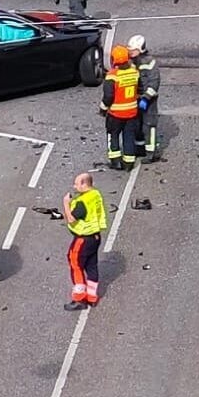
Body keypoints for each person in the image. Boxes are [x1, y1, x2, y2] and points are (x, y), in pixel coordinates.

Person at [63, 173, 107, 310]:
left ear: (84, 184)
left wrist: (66, 204)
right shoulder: (95, 195)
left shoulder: (82, 202)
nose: (74, 186)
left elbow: (71, 219)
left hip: (83, 239)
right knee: (91, 266)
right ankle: (92, 297)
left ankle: (79, 298)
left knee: (75, 264)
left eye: (76, 184)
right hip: (95, 236)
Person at [101, 46, 141, 171]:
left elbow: (108, 96)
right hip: (132, 113)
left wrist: (103, 108)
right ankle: (129, 163)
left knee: (113, 136)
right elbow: (139, 89)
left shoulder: (112, 76)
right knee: (129, 136)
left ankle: (115, 161)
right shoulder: (134, 72)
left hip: (115, 114)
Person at [129, 35, 161, 162]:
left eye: (133, 50)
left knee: (149, 125)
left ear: (140, 49)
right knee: (137, 125)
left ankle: (151, 153)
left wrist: (146, 98)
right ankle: (140, 149)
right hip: (136, 98)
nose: (131, 52)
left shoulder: (150, 62)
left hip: (149, 100)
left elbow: (154, 82)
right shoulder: (132, 62)